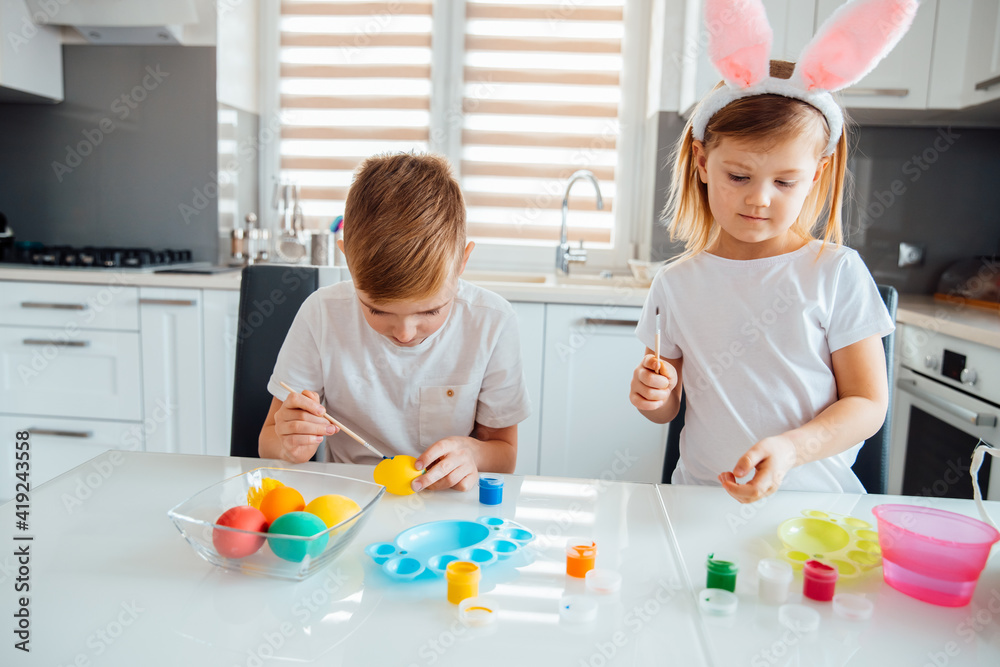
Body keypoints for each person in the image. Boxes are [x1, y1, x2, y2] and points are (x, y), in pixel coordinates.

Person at [629, 0, 918, 502]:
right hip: (700, 499)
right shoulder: (675, 283)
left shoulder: (836, 273)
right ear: (701, 161)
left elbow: (869, 403)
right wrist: (651, 396)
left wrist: (791, 448)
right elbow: (668, 407)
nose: (758, 197)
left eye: (785, 181)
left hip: (814, 509)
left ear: (817, 175)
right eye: (738, 176)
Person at [259, 153, 531, 492]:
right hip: (351, 499)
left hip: (450, 502)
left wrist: (472, 453)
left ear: (462, 262)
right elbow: (268, 439)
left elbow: (504, 454)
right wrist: (288, 444)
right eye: (377, 311)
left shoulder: (492, 323)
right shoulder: (321, 314)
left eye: (430, 312)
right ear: (347, 260)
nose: (404, 334)